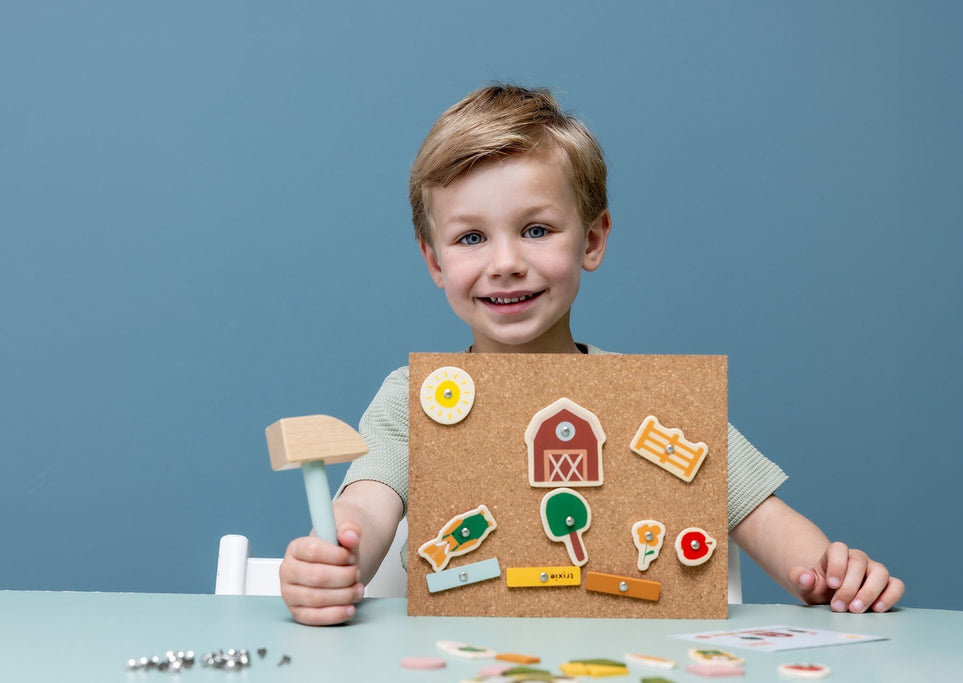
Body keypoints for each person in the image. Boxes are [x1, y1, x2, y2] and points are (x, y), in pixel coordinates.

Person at [279, 84, 905, 626]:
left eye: (536, 229)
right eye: (471, 237)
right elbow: (365, 505)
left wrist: (832, 575)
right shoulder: (408, 401)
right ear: (434, 262)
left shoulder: (651, 403)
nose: (505, 263)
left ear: (594, 239)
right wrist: (335, 559)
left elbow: (766, 519)